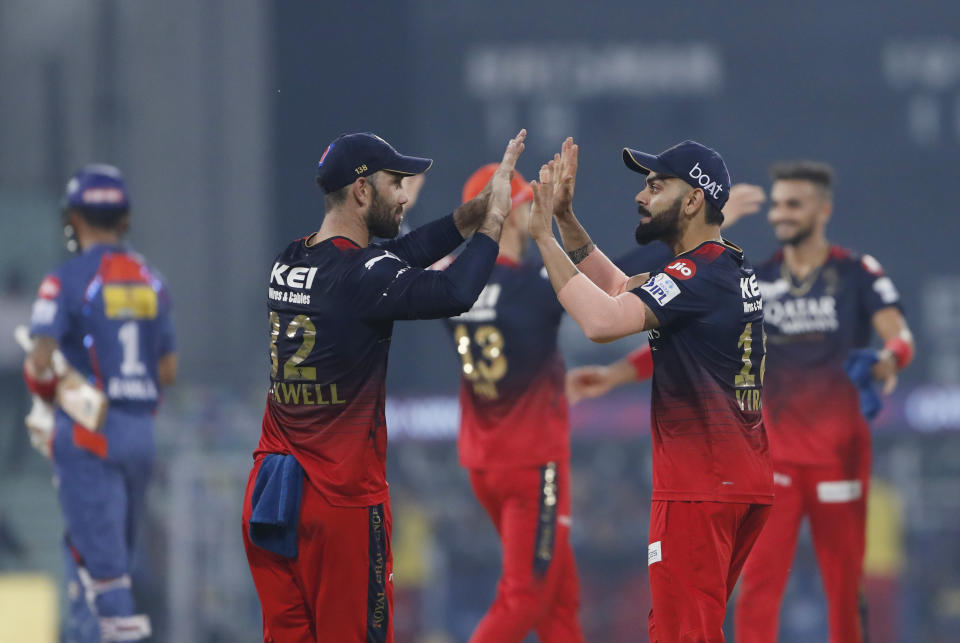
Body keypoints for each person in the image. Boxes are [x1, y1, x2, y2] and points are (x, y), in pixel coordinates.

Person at [241, 130, 526, 642]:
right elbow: (456, 291)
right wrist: (495, 224)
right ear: (361, 191)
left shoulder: (289, 259)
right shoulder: (362, 275)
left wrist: (474, 212)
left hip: (272, 496)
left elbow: (405, 252)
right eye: (395, 182)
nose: (404, 194)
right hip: (340, 500)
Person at [529, 137, 773, 642]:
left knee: (684, 634)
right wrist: (567, 220)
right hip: (735, 478)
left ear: (692, 200)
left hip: (698, 485)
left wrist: (543, 238)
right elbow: (621, 291)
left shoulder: (696, 274)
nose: (642, 196)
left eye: (656, 186)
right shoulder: (719, 266)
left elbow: (601, 321)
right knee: (682, 629)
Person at [733, 161, 914, 643]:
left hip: (840, 460)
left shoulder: (856, 272)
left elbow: (899, 337)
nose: (780, 214)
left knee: (844, 588)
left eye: (793, 204)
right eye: (776, 204)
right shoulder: (755, 278)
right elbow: (691, 321)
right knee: (757, 587)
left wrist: (888, 362)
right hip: (775, 465)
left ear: (823, 210)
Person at [23, 164, 177, 642]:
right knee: (93, 556)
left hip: (90, 434)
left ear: (75, 219)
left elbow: (40, 363)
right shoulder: (152, 281)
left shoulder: (65, 280)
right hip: (139, 434)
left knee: (103, 575)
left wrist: (60, 395)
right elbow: (168, 370)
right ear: (124, 219)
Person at [441, 164, 583, 642]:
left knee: (559, 602)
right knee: (525, 597)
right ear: (514, 210)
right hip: (533, 464)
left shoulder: (453, 286)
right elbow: (607, 286)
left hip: (485, 464)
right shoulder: (532, 290)